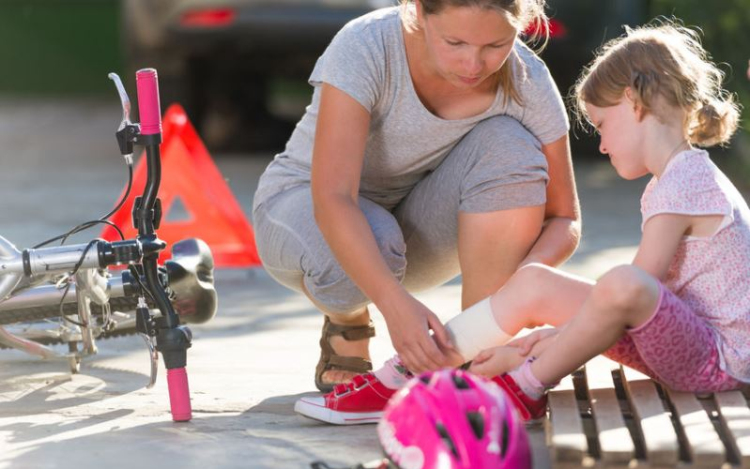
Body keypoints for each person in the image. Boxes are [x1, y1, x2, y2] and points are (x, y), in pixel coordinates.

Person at [296, 20, 750, 424]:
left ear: (632, 103)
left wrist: (557, 340)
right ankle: (411, 368)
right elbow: (642, 307)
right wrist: (557, 334)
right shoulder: (676, 179)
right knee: (535, 282)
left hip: (718, 361)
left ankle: (524, 388)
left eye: (601, 124)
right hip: (687, 340)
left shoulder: (684, 183)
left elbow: (637, 292)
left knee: (623, 283)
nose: (604, 145)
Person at [252, 0, 580, 394]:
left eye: (496, 45)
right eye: (455, 42)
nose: (473, 65)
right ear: (420, 12)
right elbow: (334, 197)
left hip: (412, 232)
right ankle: (350, 319)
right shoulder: (367, 44)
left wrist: (523, 287)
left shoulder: (528, 80)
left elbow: (565, 218)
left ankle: (480, 353)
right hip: (303, 207)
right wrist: (394, 307)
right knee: (373, 241)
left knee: (509, 144)